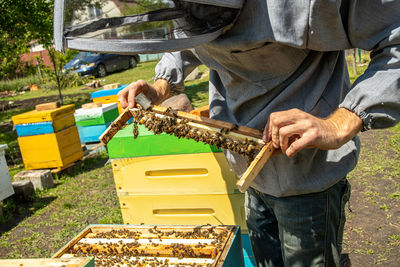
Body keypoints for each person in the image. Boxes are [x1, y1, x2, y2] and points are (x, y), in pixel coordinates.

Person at [117, 1, 400, 266]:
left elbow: (395, 39)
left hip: (307, 178)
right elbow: (187, 42)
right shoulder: (191, 8)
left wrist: (341, 122)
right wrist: (160, 87)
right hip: (249, 170)